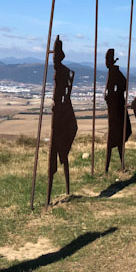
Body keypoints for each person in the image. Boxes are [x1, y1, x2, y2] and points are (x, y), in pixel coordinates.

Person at [47, 36, 77, 205]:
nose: (53, 57)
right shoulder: (62, 70)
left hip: (60, 113)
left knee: (55, 150)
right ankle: (63, 188)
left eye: (55, 53)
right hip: (60, 111)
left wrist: (56, 103)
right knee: (59, 152)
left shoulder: (61, 71)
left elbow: (60, 93)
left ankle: (57, 191)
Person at [104, 48, 131, 172]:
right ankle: (116, 166)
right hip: (113, 109)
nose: (105, 62)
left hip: (116, 110)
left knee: (114, 140)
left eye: (107, 59)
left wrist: (114, 96)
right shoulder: (111, 71)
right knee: (115, 140)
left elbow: (124, 84)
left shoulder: (115, 71)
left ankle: (108, 168)